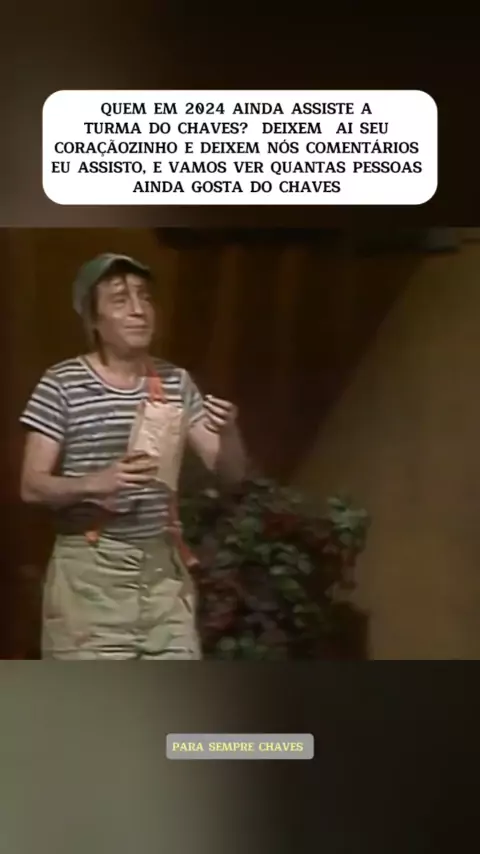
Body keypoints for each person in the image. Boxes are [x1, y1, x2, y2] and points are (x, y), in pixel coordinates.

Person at [19, 253, 247, 659]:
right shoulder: (62, 383)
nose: (139, 310)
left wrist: (228, 432)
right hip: (90, 577)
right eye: (120, 299)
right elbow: (31, 486)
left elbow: (231, 474)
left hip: (163, 576)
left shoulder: (176, 381)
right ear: (94, 319)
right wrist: (96, 483)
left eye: (145, 297)